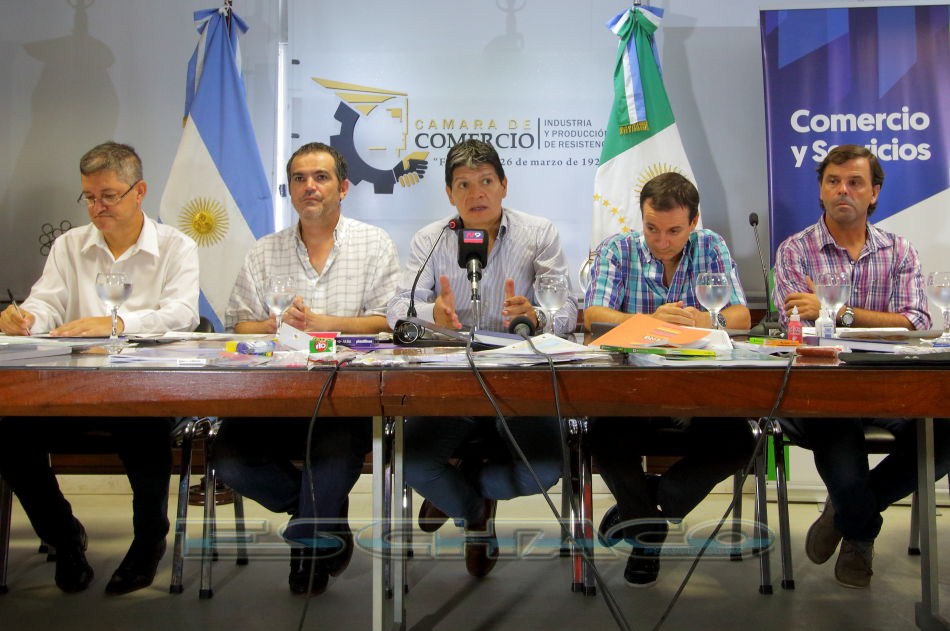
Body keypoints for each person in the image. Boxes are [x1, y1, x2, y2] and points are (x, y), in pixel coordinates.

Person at [0, 141, 199, 594]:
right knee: (10, 436)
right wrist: (25, 318)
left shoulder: (176, 246)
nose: (97, 207)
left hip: (143, 392)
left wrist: (117, 323)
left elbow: (182, 314)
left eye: (109, 196)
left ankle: (148, 542)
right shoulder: (70, 245)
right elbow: (47, 303)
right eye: (89, 197)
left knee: (143, 430)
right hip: (73, 392)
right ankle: (64, 537)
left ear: (139, 191)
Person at [386, 139, 577, 578]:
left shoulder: (538, 233)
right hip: (451, 382)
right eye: (464, 185)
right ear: (449, 193)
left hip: (519, 382)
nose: (477, 194)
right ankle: (475, 513)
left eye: (486, 182)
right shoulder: (431, 239)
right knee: (413, 464)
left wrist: (536, 315)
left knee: (544, 471)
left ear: (504, 185)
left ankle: (467, 483)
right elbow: (396, 308)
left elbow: (567, 309)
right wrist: (430, 315)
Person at [216, 142, 400, 595]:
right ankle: (322, 518)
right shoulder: (265, 251)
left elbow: (388, 321)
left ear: (343, 187)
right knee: (230, 461)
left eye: (320, 177)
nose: (309, 186)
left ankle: (311, 545)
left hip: (345, 396)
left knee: (332, 457)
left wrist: (324, 324)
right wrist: (274, 325)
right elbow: (238, 324)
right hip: (273, 396)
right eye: (299, 178)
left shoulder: (374, 244)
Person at [773, 143, 948, 588]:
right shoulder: (795, 250)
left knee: (946, 434)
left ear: (874, 192)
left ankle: (847, 511)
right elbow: (797, 321)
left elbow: (916, 321)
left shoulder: (899, 250)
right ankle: (860, 532)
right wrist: (873, 321)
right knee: (838, 437)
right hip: (821, 388)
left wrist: (839, 313)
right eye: (833, 181)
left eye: (854, 182)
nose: (842, 191)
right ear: (821, 190)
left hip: (889, 386)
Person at [584, 171, 754, 587]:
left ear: (693, 222)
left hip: (698, 393)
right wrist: (648, 321)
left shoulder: (710, 245)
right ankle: (648, 535)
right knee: (602, 440)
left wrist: (704, 320)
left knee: (740, 444)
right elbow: (593, 315)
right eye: (652, 228)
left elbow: (741, 317)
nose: (661, 241)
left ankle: (643, 510)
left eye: (674, 231)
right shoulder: (618, 249)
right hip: (632, 391)